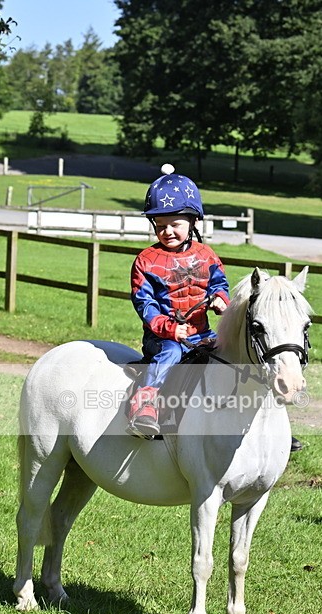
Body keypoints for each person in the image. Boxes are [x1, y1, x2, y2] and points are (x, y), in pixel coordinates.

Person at [128, 165, 230, 437]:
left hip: (201, 333)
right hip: (162, 338)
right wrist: (171, 329)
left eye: (175, 224)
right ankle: (144, 406)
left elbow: (219, 283)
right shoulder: (145, 261)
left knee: (233, 357)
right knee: (171, 353)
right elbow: (144, 305)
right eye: (160, 226)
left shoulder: (206, 254)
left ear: (193, 222)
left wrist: (220, 299)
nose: (167, 231)